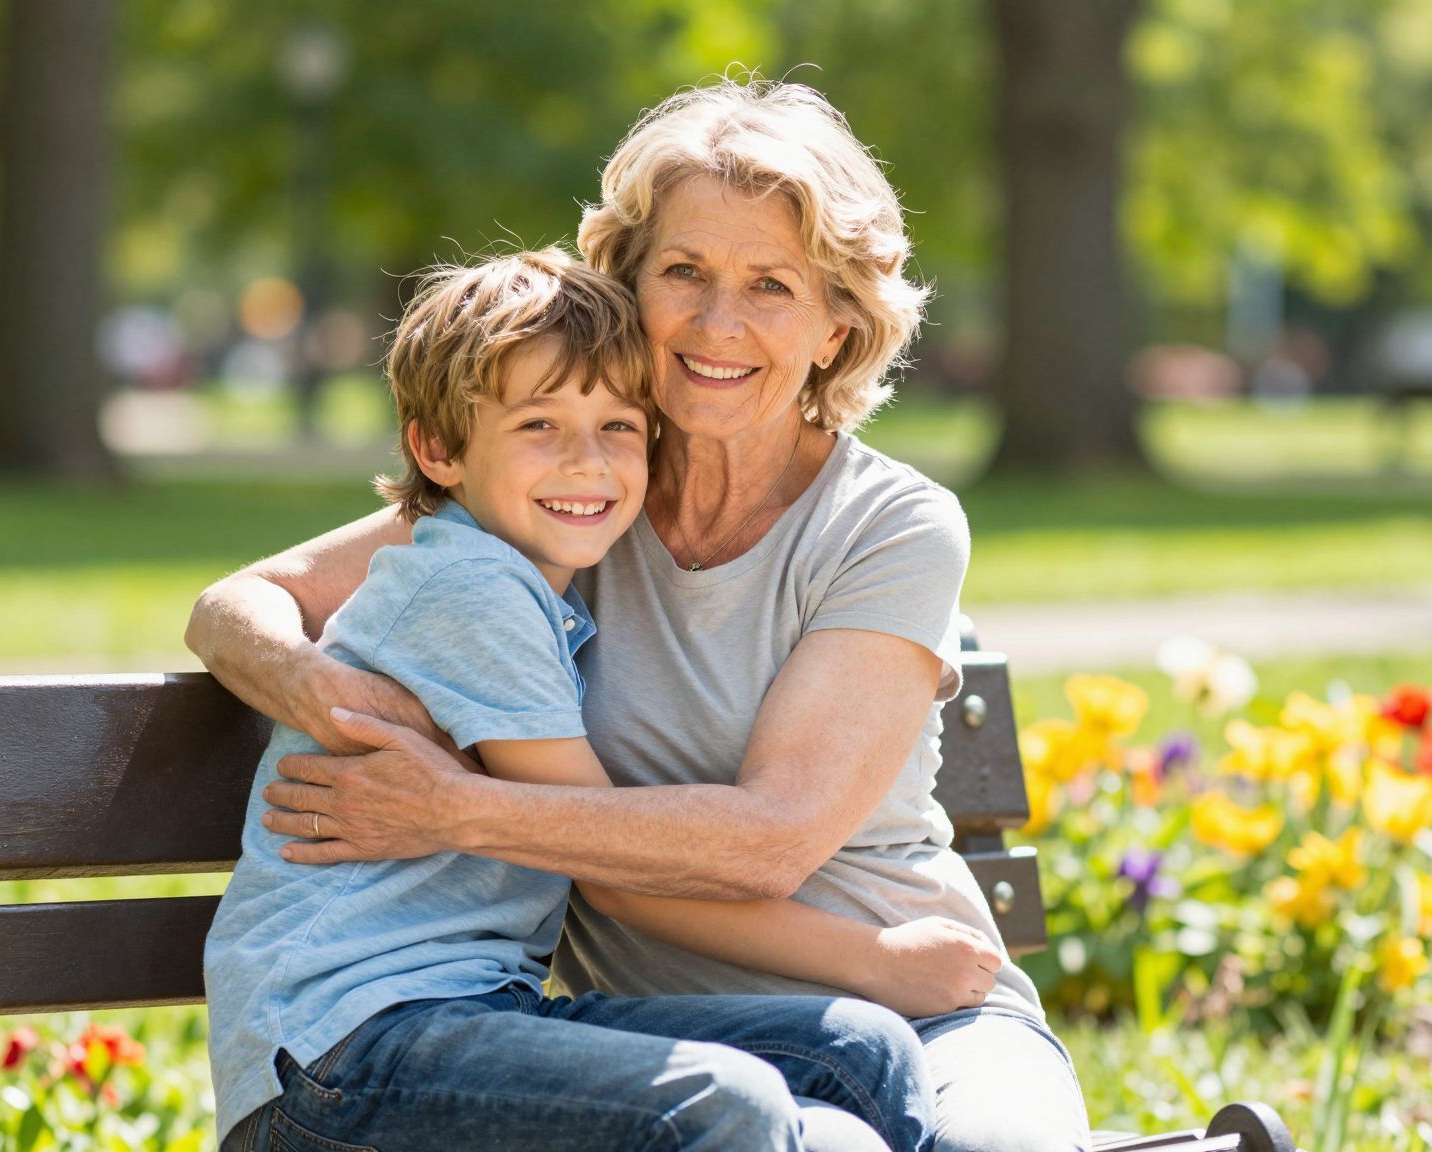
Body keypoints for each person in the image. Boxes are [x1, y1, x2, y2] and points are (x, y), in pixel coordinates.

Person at [188, 79, 1093, 1152]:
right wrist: (323, 692)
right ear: (626, 285)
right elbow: (236, 604)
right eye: (683, 272)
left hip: (920, 1002)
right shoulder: (566, 495)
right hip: (637, 1046)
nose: (718, 322)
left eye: (770, 285)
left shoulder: (885, 524)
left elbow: (768, 841)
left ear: (836, 327)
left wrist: (453, 808)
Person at [204, 249, 939, 1152]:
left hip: (482, 1014)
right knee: (723, 1104)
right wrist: (877, 957)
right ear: (438, 450)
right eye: (540, 425)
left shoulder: (528, 581)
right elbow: (600, 842)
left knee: (865, 1052)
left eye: (618, 426)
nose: (586, 463)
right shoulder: (471, 587)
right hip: (340, 1056)